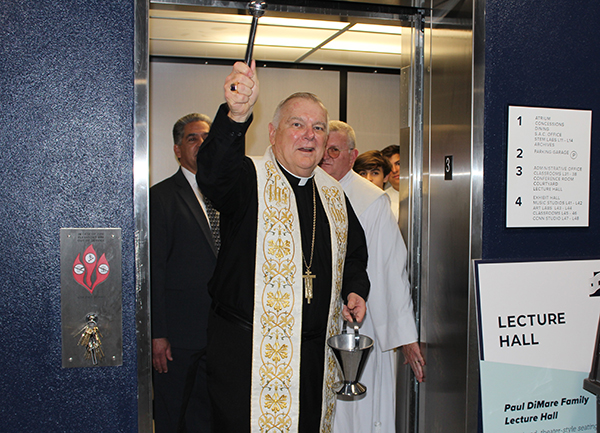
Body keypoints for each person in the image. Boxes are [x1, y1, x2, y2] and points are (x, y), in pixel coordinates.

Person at [195, 61, 370, 433]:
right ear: (272, 133)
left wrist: (355, 288)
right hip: (249, 359)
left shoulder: (333, 193)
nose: (309, 135)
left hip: (314, 357)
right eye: (297, 125)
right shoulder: (248, 178)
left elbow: (353, 253)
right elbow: (213, 174)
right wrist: (235, 114)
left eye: (318, 128)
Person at [320, 120, 425, 433]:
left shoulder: (371, 201)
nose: (325, 156)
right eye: (324, 149)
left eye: (334, 150)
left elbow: (392, 268)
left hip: (360, 324)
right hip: (318, 323)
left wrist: (405, 336)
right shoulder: (309, 190)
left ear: (352, 157)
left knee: (359, 415)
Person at [150, 113, 219, 433]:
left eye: (206, 137)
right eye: (193, 138)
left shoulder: (226, 196)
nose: (201, 144)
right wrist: (157, 334)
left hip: (219, 335)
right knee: (172, 415)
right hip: (177, 338)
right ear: (178, 150)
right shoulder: (160, 197)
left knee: (207, 417)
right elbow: (154, 271)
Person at [381, 145, 401, 221]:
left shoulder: (426, 196)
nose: (394, 170)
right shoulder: (384, 199)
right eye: (389, 166)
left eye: (398, 164)